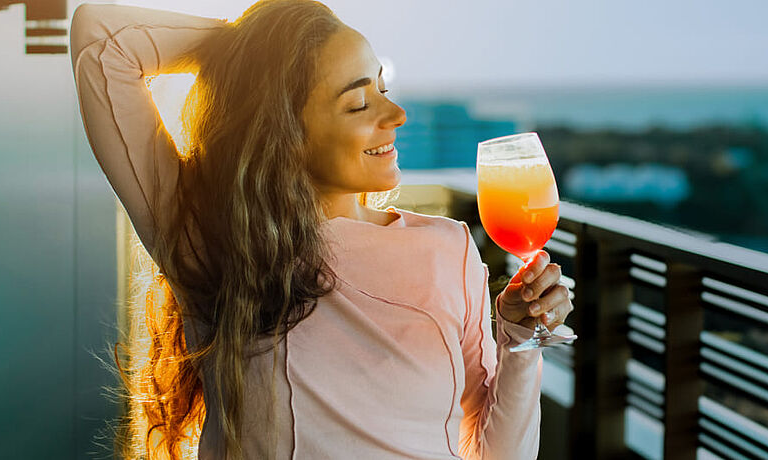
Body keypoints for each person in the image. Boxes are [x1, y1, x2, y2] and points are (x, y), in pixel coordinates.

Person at [69, 2, 573, 458]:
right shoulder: (217, 241)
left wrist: (520, 341)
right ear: (282, 129)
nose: (396, 115)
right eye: (359, 104)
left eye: (383, 89)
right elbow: (102, 40)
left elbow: (499, 455)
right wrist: (250, 47)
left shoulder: (450, 249)